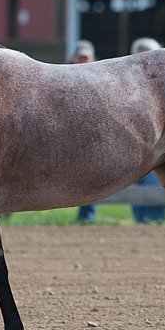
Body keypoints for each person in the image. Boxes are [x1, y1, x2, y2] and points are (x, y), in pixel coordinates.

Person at [129, 37, 165, 224]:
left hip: (154, 144)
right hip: (138, 147)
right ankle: (144, 221)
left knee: (154, 183)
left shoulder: (163, 85)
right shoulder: (127, 83)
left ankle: (154, 220)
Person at [70, 40, 98, 223]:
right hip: (70, 136)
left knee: (93, 177)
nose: (82, 61)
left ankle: (87, 216)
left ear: (92, 59)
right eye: (80, 58)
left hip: (90, 137)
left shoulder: (98, 80)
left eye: (85, 58)